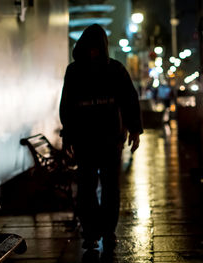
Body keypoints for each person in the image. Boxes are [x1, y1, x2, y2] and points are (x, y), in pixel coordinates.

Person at [59, 24, 143, 251]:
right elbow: (66, 107)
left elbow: (129, 100)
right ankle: (91, 232)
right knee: (88, 187)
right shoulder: (82, 71)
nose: (93, 51)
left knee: (109, 188)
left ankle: (106, 231)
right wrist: (67, 137)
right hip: (88, 140)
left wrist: (135, 129)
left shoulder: (111, 70)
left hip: (107, 140)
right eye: (90, 46)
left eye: (97, 47)